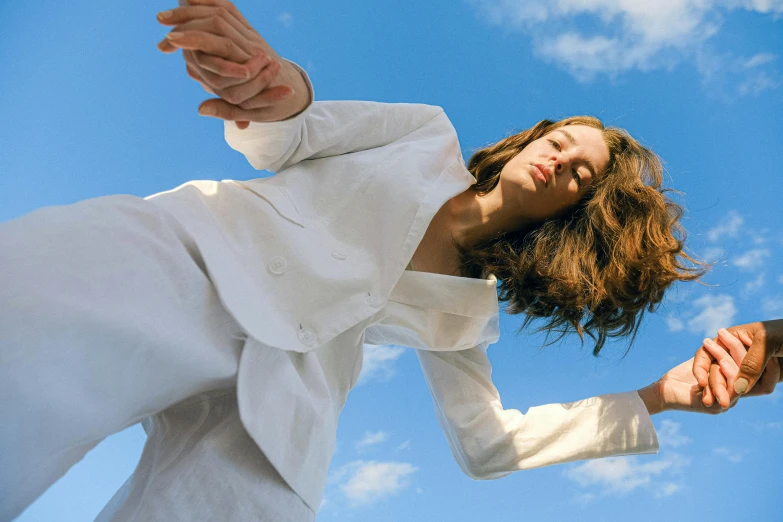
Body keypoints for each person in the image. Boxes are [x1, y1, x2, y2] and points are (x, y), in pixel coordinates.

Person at [0, 1, 752, 520]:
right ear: (528, 140)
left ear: (574, 212)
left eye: (581, 174)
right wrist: (277, 87)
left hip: (287, 405)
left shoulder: (467, 311)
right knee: (23, 349)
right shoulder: (423, 135)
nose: (563, 163)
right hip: (195, 256)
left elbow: (489, 445)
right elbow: (292, 131)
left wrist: (659, 396)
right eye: (560, 142)